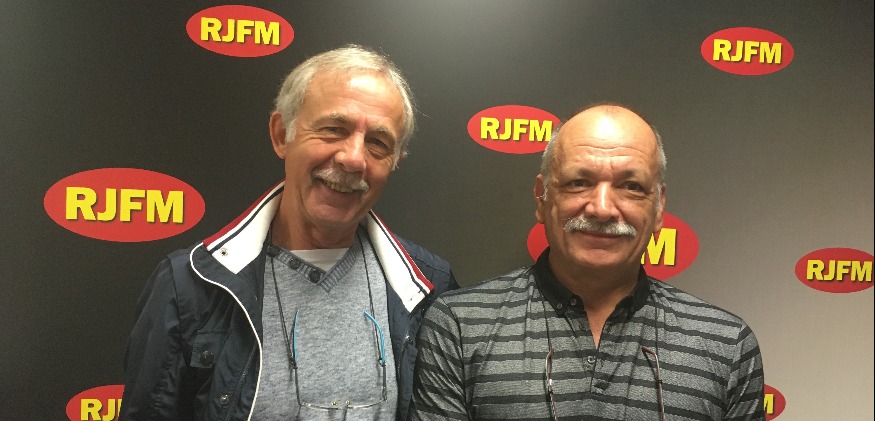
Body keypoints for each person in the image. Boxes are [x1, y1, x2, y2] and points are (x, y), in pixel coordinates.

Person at [121, 45, 458, 420]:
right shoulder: (190, 287)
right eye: (333, 130)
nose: (353, 158)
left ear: (394, 162)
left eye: (377, 143)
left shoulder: (431, 288)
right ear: (282, 135)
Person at [410, 103, 764, 420]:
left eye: (631, 186)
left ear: (658, 207)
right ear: (542, 198)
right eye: (579, 182)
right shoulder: (460, 325)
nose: (602, 208)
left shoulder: (726, 344)